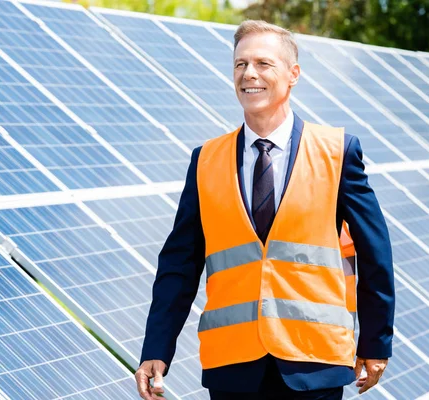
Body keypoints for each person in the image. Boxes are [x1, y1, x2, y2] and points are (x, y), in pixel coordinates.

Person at [135, 20, 395, 400]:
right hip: (233, 368)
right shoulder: (205, 160)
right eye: (240, 64)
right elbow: (179, 262)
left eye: (263, 63)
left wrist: (375, 342)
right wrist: (156, 348)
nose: (249, 74)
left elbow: (375, 253)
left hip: (314, 362)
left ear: (293, 75)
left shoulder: (338, 151)